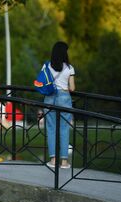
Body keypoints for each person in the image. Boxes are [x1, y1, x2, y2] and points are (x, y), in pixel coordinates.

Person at [43, 41, 75, 169]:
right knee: (64, 129)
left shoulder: (46, 66)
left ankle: (53, 160)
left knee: (51, 129)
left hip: (49, 97)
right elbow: (72, 88)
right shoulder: (69, 68)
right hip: (64, 97)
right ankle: (64, 162)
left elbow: (43, 83)